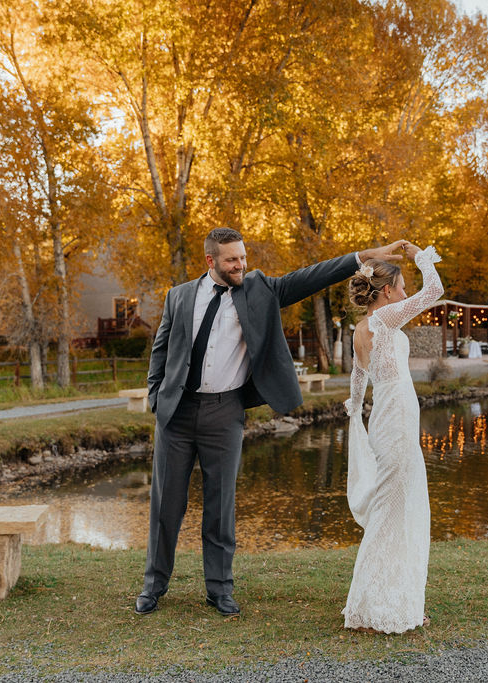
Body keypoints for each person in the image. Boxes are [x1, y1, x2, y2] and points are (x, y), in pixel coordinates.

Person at [136, 227, 406, 617]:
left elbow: (313, 275)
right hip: (175, 414)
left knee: (220, 504)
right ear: (210, 261)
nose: (240, 265)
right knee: (166, 506)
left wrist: (365, 255)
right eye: (231, 260)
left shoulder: (258, 289)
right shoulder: (179, 296)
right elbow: (161, 349)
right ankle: (153, 586)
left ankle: (219, 590)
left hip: (225, 412)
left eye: (242, 257)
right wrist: (156, 396)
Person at [342, 241, 443, 633]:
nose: (405, 294)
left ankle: (389, 600)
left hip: (386, 420)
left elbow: (358, 377)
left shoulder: (360, 329)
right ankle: (374, 607)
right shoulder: (385, 320)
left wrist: (354, 408)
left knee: (394, 510)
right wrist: (420, 254)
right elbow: (434, 291)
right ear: (386, 292)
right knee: (394, 513)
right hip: (397, 422)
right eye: (400, 288)